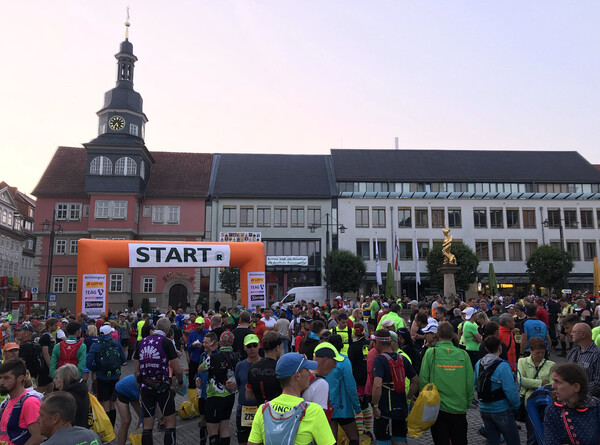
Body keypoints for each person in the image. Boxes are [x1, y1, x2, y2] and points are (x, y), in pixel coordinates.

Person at [247, 353, 335, 445]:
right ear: (297, 376)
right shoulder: (313, 411)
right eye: (306, 369)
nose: (310, 373)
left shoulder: (263, 410)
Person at [419, 321, 474, 445]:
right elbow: (470, 382)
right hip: (459, 407)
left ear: (437, 335)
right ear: (452, 335)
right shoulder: (463, 355)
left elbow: (423, 380)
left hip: (438, 407)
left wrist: (426, 402)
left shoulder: (430, 353)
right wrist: (467, 403)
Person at [134, 317, 184, 445]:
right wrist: (180, 382)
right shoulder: (166, 342)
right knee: (170, 421)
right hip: (162, 386)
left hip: (146, 386)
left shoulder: (141, 342)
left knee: (148, 424)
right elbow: (178, 369)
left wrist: (139, 386)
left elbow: (136, 371)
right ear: (168, 330)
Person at [371, 329, 419, 444]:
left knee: (383, 439)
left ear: (378, 342)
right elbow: (416, 382)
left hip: (384, 408)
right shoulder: (402, 358)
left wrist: (375, 406)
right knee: (401, 439)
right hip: (401, 407)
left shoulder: (379, 359)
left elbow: (377, 385)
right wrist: (408, 398)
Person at [474, 336, 521, 445]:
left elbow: (476, 384)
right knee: (513, 440)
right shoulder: (503, 366)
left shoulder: (479, 363)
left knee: (493, 440)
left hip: (484, 408)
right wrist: (517, 406)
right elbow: (510, 390)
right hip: (501, 409)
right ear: (500, 348)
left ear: (486, 348)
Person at [543, 362, 600, 445]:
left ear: (576, 387)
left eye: (558, 382)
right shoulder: (553, 411)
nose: (553, 386)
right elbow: (550, 442)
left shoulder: (596, 408)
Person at [199, 331, 237, 445]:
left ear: (220, 343)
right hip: (230, 396)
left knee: (212, 429)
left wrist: (211, 353)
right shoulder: (235, 357)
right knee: (224, 427)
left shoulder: (214, 357)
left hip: (215, 397)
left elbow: (200, 369)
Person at [86, 324, 127, 426]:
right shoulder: (116, 343)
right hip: (115, 377)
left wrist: (97, 369)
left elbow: (89, 363)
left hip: (101, 377)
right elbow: (123, 359)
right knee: (113, 404)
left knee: (105, 404)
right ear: (110, 333)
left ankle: (106, 430)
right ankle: (112, 428)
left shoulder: (96, 345)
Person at [324, 334, 361, 445]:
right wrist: (357, 407)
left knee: (331, 440)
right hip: (343, 407)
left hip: (327, 406)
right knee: (354, 438)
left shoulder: (323, 361)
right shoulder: (344, 361)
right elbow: (351, 386)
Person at [517, 337, 554, 445]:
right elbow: (521, 381)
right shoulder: (522, 362)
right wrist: (541, 383)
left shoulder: (551, 365)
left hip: (545, 405)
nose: (540, 355)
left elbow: (552, 385)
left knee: (546, 433)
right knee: (532, 435)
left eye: (542, 353)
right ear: (531, 350)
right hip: (528, 403)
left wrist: (530, 381)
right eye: (537, 353)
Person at [0, 359, 44, 445]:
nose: (1, 382)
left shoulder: (30, 402)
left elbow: (38, 437)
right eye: (0, 378)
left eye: (6, 378)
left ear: (20, 378)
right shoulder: (7, 402)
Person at [233, 334, 261, 445]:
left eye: (255, 345)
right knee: (243, 441)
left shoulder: (265, 364)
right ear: (245, 348)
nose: (252, 348)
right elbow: (238, 386)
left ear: (259, 346)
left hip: (260, 410)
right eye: (249, 346)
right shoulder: (240, 366)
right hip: (243, 410)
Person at [246, 331, 283, 405]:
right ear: (277, 348)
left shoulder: (253, 368)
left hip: (261, 411)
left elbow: (248, 396)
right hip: (278, 412)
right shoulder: (281, 368)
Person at [566, 323, 600, 397]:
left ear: (582, 334)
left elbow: (598, 382)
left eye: (574, 332)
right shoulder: (573, 352)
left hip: (589, 400)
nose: (571, 334)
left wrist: (578, 392)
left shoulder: (597, 354)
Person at [54, 363, 90, 429]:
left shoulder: (66, 397)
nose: (54, 380)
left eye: (56, 378)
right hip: (83, 428)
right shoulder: (81, 389)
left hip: (71, 432)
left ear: (63, 379)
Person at [115, 374, 141, 445]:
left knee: (143, 418)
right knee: (126, 421)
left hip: (135, 393)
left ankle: (135, 439)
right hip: (122, 390)